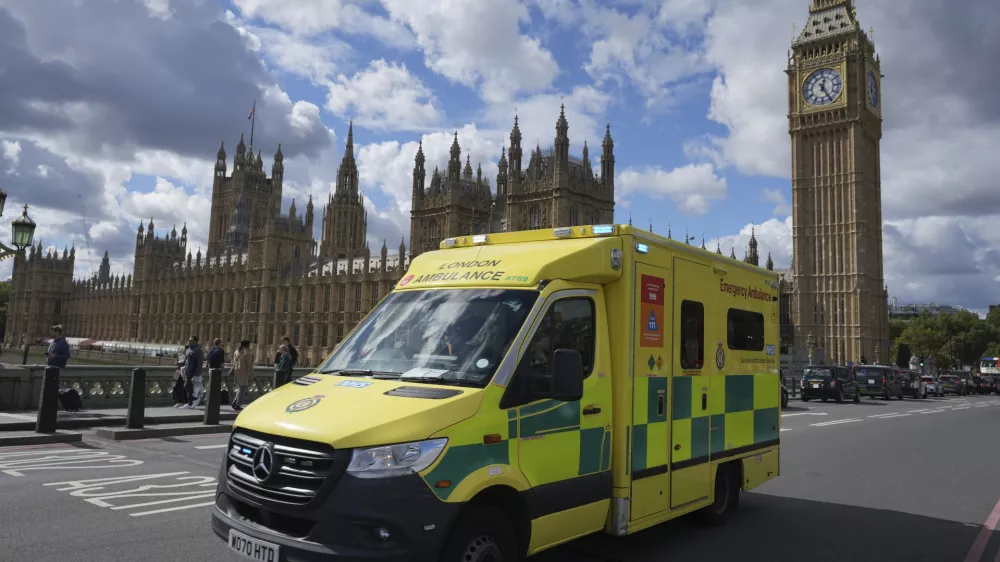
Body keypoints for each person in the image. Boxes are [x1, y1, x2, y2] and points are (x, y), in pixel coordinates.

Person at [179, 336, 205, 409]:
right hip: (187, 371)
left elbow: (200, 363)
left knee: (187, 386)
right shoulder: (188, 349)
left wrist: (197, 374)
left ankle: (193, 400)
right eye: (189, 340)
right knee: (189, 387)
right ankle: (190, 403)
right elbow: (186, 360)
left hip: (193, 372)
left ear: (196, 341)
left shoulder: (199, 350)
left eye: (191, 340)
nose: (189, 341)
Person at [231, 340, 253, 410]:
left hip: (237, 371)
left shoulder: (236, 351)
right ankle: (237, 404)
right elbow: (249, 365)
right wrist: (251, 374)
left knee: (239, 388)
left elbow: (234, 362)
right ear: (247, 345)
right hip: (243, 372)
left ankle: (235, 402)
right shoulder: (247, 353)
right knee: (242, 389)